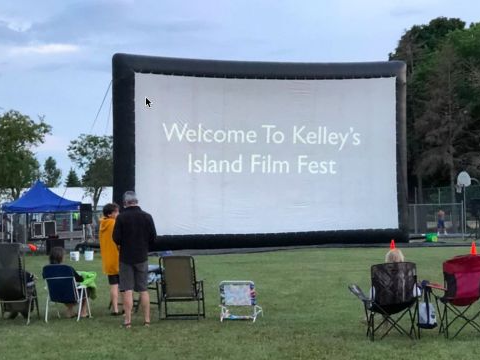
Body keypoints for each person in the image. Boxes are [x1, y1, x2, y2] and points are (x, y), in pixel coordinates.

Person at [113, 191, 157, 328]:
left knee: (128, 289)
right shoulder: (147, 216)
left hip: (126, 257)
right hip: (142, 256)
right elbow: (153, 237)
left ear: (125, 203)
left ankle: (128, 321)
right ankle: (147, 320)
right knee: (143, 289)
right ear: (136, 201)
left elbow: (116, 238)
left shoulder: (121, 218)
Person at [48, 247, 89, 318]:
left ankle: (70, 311)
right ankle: (83, 312)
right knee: (86, 288)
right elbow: (80, 279)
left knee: (63, 287)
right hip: (70, 295)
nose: (65, 257)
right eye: (64, 255)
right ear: (60, 257)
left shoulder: (46, 269)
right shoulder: (68, 269)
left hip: (54, 295)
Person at [99, 203, 122, 315]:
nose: (118, 214)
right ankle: (125, 308)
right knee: (123, 286)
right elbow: (118, 241)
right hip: (118, 258)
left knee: (113, 285)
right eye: (116, 212)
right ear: (110, 214)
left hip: (108, 259)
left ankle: (115, 309)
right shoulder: (114, 223)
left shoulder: (102, 224)